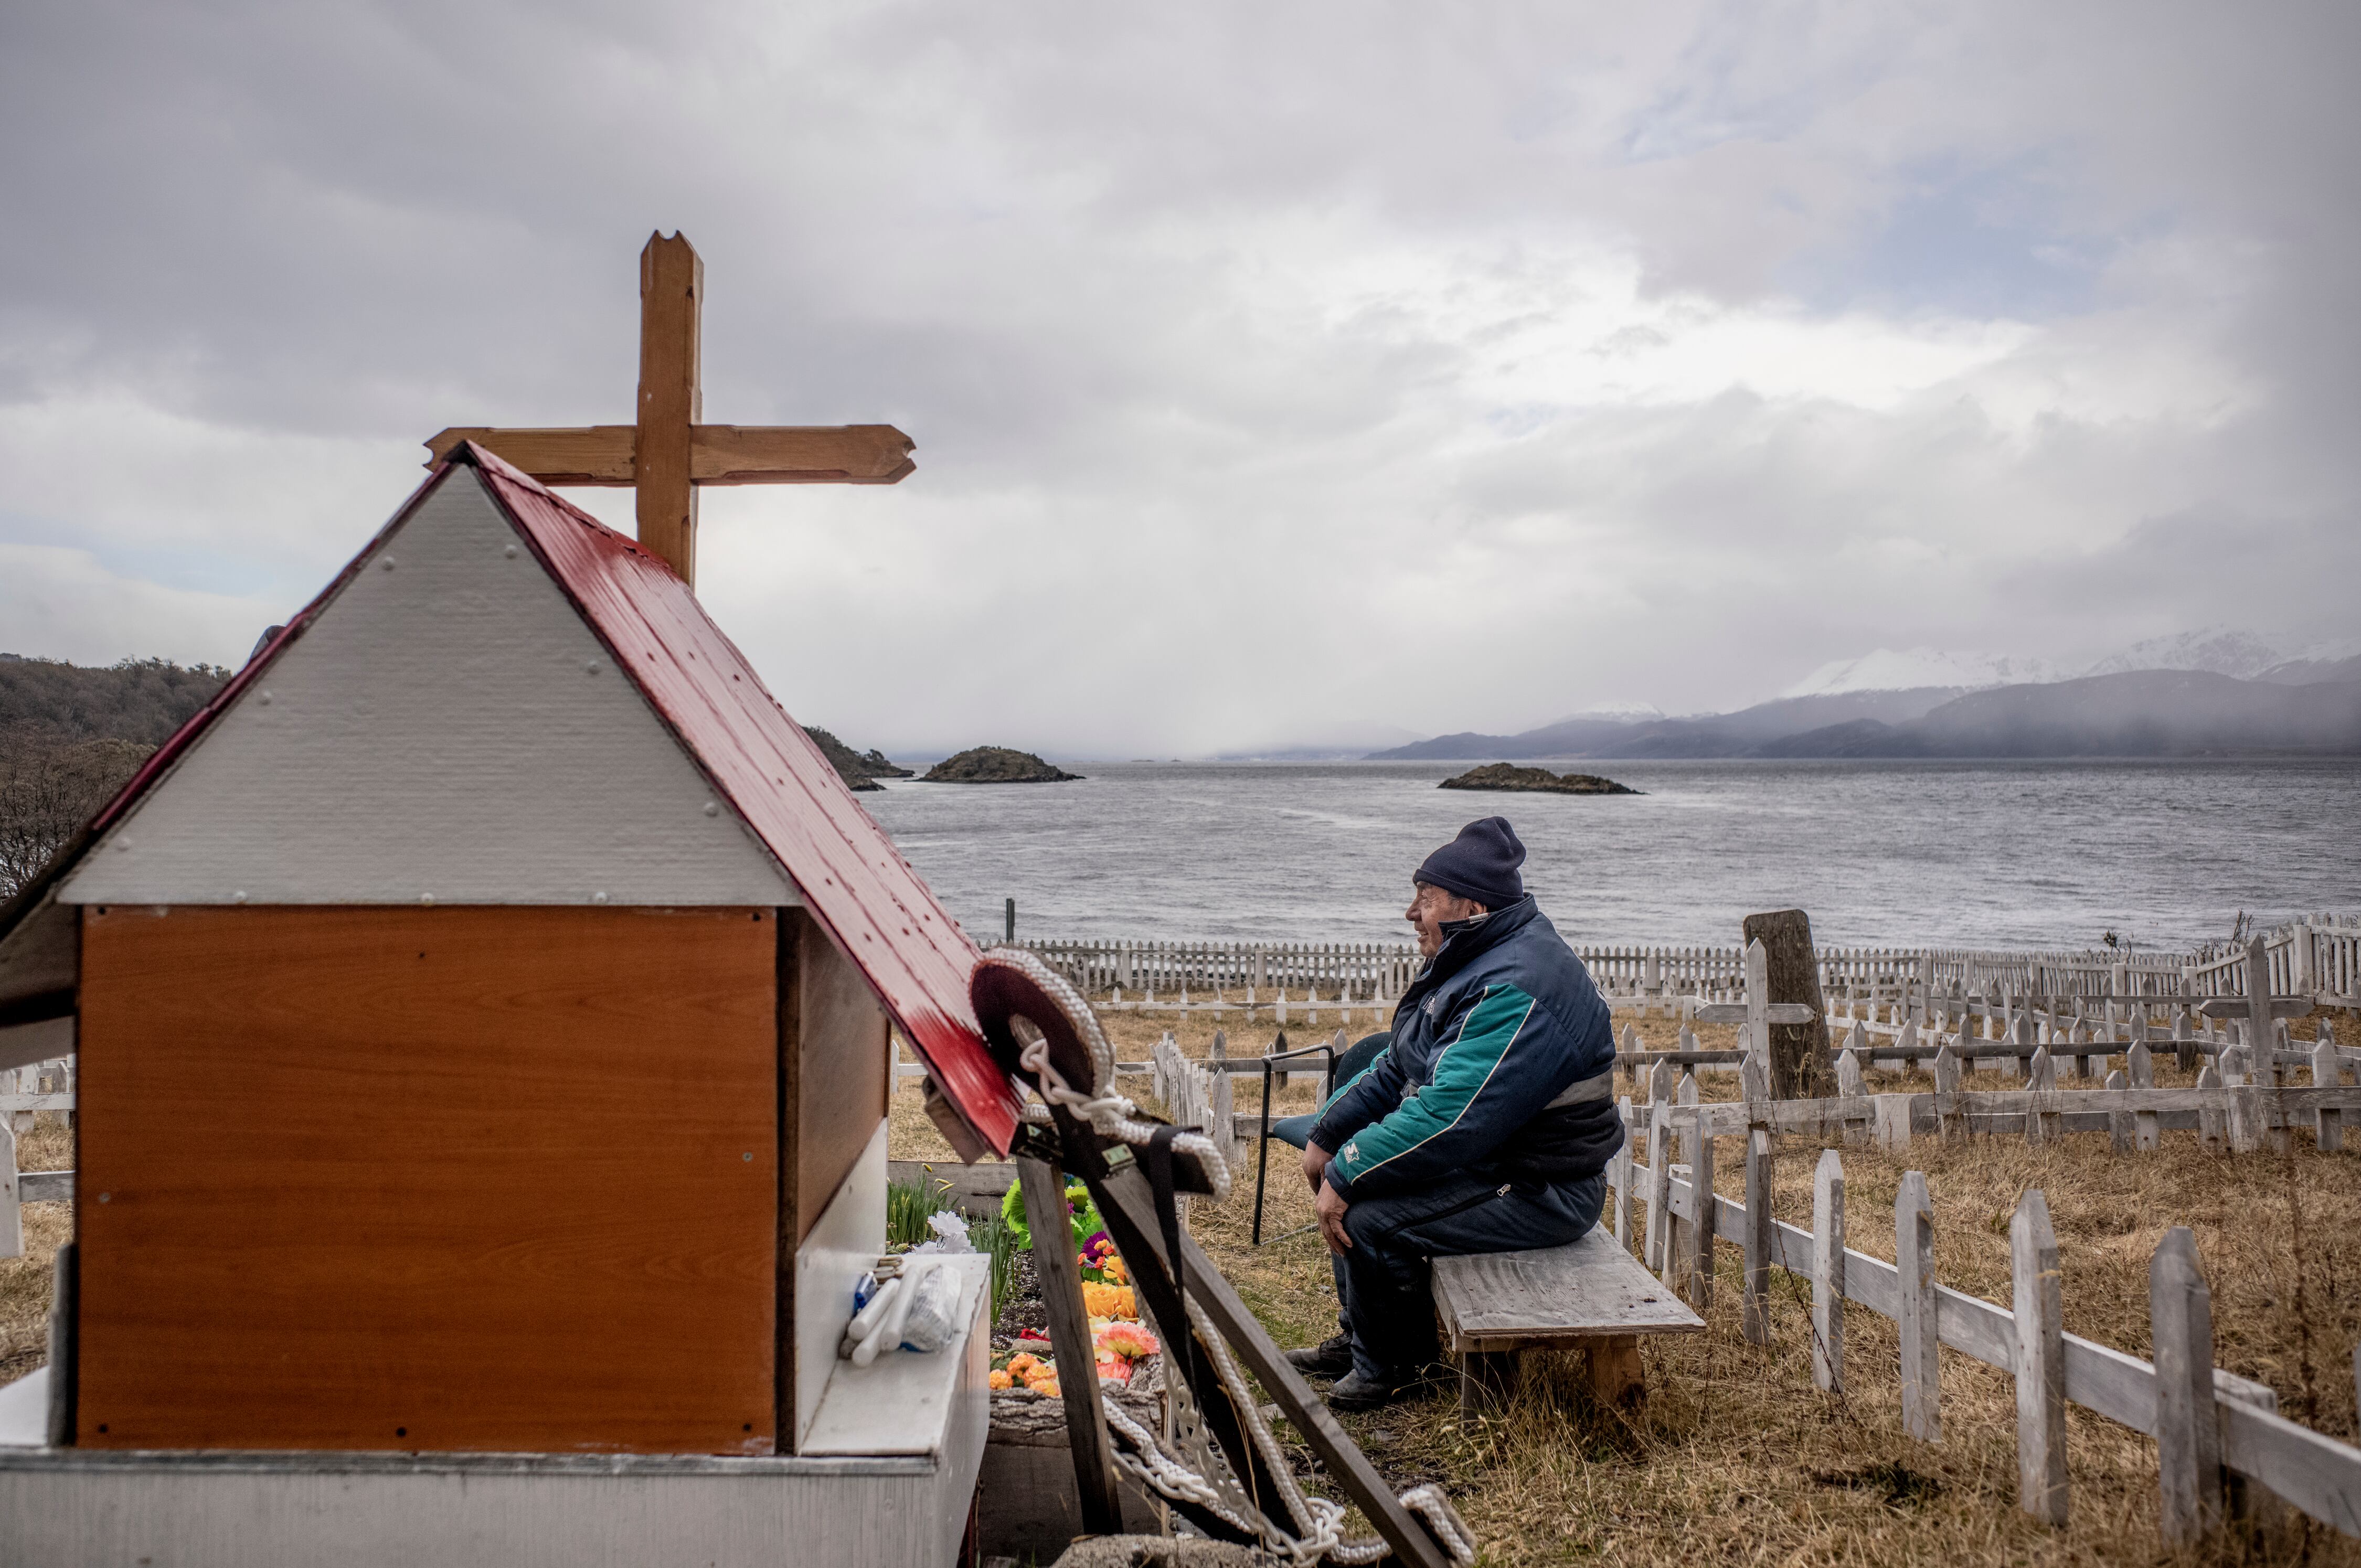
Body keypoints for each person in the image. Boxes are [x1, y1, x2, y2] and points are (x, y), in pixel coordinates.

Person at [1285, 816, 1623, 1410]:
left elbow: (1450, 1117)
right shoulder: (1479, 957)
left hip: (1544, 1186)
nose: (1412, 912)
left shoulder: (1520, 985)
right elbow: (1399, 1064)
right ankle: (1363, 1338)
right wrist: (1328, 1136)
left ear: (1470, 904)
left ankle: (1398, 1370)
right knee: (1356, 1177)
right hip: (1500, 1162)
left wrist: (1346, 1173)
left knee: (1367, 1216)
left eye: (1426, 897)